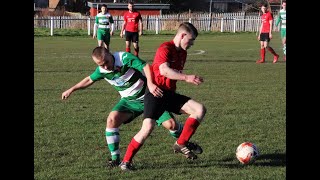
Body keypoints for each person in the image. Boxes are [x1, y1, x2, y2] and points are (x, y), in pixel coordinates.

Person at [61, 47, 201, 168]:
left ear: (110, 54)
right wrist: (71, 89)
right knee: (112, 120)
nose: (105, 67)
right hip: (129, 102)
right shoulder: (102, 70)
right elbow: (89, 79)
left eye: (106, 63)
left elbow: (146, 66)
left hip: (149, 97)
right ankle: (115, 159)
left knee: (171, 124)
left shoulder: (124, 58)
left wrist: (151, 84)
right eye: (100, 65)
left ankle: (185, 142)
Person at [119, 22, 206, 171]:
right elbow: (164, 70)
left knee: (199, 109)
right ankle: (125, 162)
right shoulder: (165, 48)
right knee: (147, 128)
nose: (191, 44)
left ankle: (181, 143)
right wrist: (186, 77)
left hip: (169, 94)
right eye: (190, 40)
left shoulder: (183, 53)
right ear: (182, 35)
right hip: (156, 93)